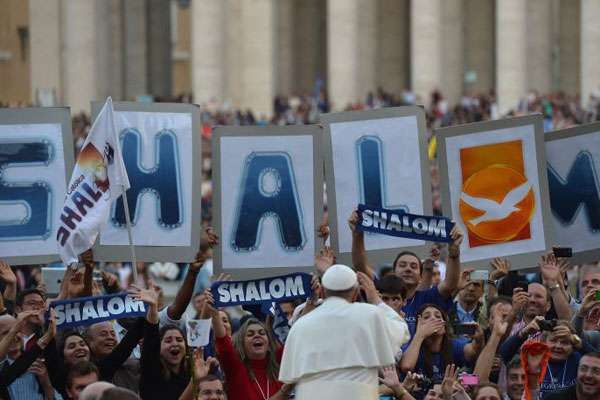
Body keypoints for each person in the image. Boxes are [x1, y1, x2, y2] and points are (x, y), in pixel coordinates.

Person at [279, 264, 410, 399]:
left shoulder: (301, 325)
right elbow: (401, 331)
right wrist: (376, 300)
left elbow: (289, 376)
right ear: (355, 294)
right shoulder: (369, 315)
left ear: (322, 292)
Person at [349, 210, 464, 336]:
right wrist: (357, 234)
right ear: (393, 273)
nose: (408, 269)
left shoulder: (428, 298)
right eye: (402, 265)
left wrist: (454, 252)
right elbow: (360, 265)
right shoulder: (379, 291)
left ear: (421, 277)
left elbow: (450, 284)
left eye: (413, 266)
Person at [400, 304, 483, 390]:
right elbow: (406, 367)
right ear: (418, 325)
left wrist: (479, 340)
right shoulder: (413, 346)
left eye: (438, 316)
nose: (433, 319)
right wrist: (419, 335)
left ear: (444, 326)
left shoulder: (454, 345)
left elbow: (474, 354)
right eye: (426, 317)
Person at [132, 286, 190, 400]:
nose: (175, 344)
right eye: (168, 340)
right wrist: (153, 307)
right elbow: (151, 336)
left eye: (179, 340)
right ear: (158, 347)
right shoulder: (151, 372)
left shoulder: (191, 372)